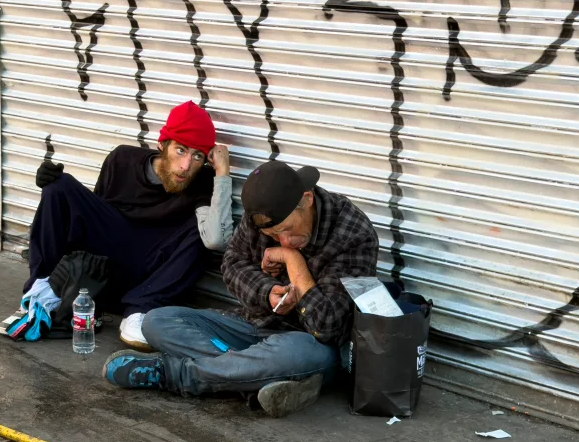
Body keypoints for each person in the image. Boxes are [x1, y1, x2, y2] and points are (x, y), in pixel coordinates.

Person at [102, 160, 380, 417]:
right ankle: (250, 379)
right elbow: (232, 265)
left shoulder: (353, 232)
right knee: (157, 321)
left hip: (308, 343)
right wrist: (266, 291)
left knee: (302, 355)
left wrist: (293, 260)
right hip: (252, 327)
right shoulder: (260, 216)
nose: (283, 241)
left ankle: (178, 375)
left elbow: (328, 327)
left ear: (306, 200)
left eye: (288, 230)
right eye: (273, 236)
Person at [0, 101, 234, 349]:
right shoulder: (122, 160)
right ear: (162, 144)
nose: (186, 166)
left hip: (151, 279)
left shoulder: (202, 183)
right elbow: (92, 220)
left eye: (197, 156)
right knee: (60, 186)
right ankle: (41, 295)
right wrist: (53, 185)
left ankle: (138, 314)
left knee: (201, 234)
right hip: (106, 270)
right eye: (180, 150)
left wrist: (222, 172)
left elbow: (216, 239)